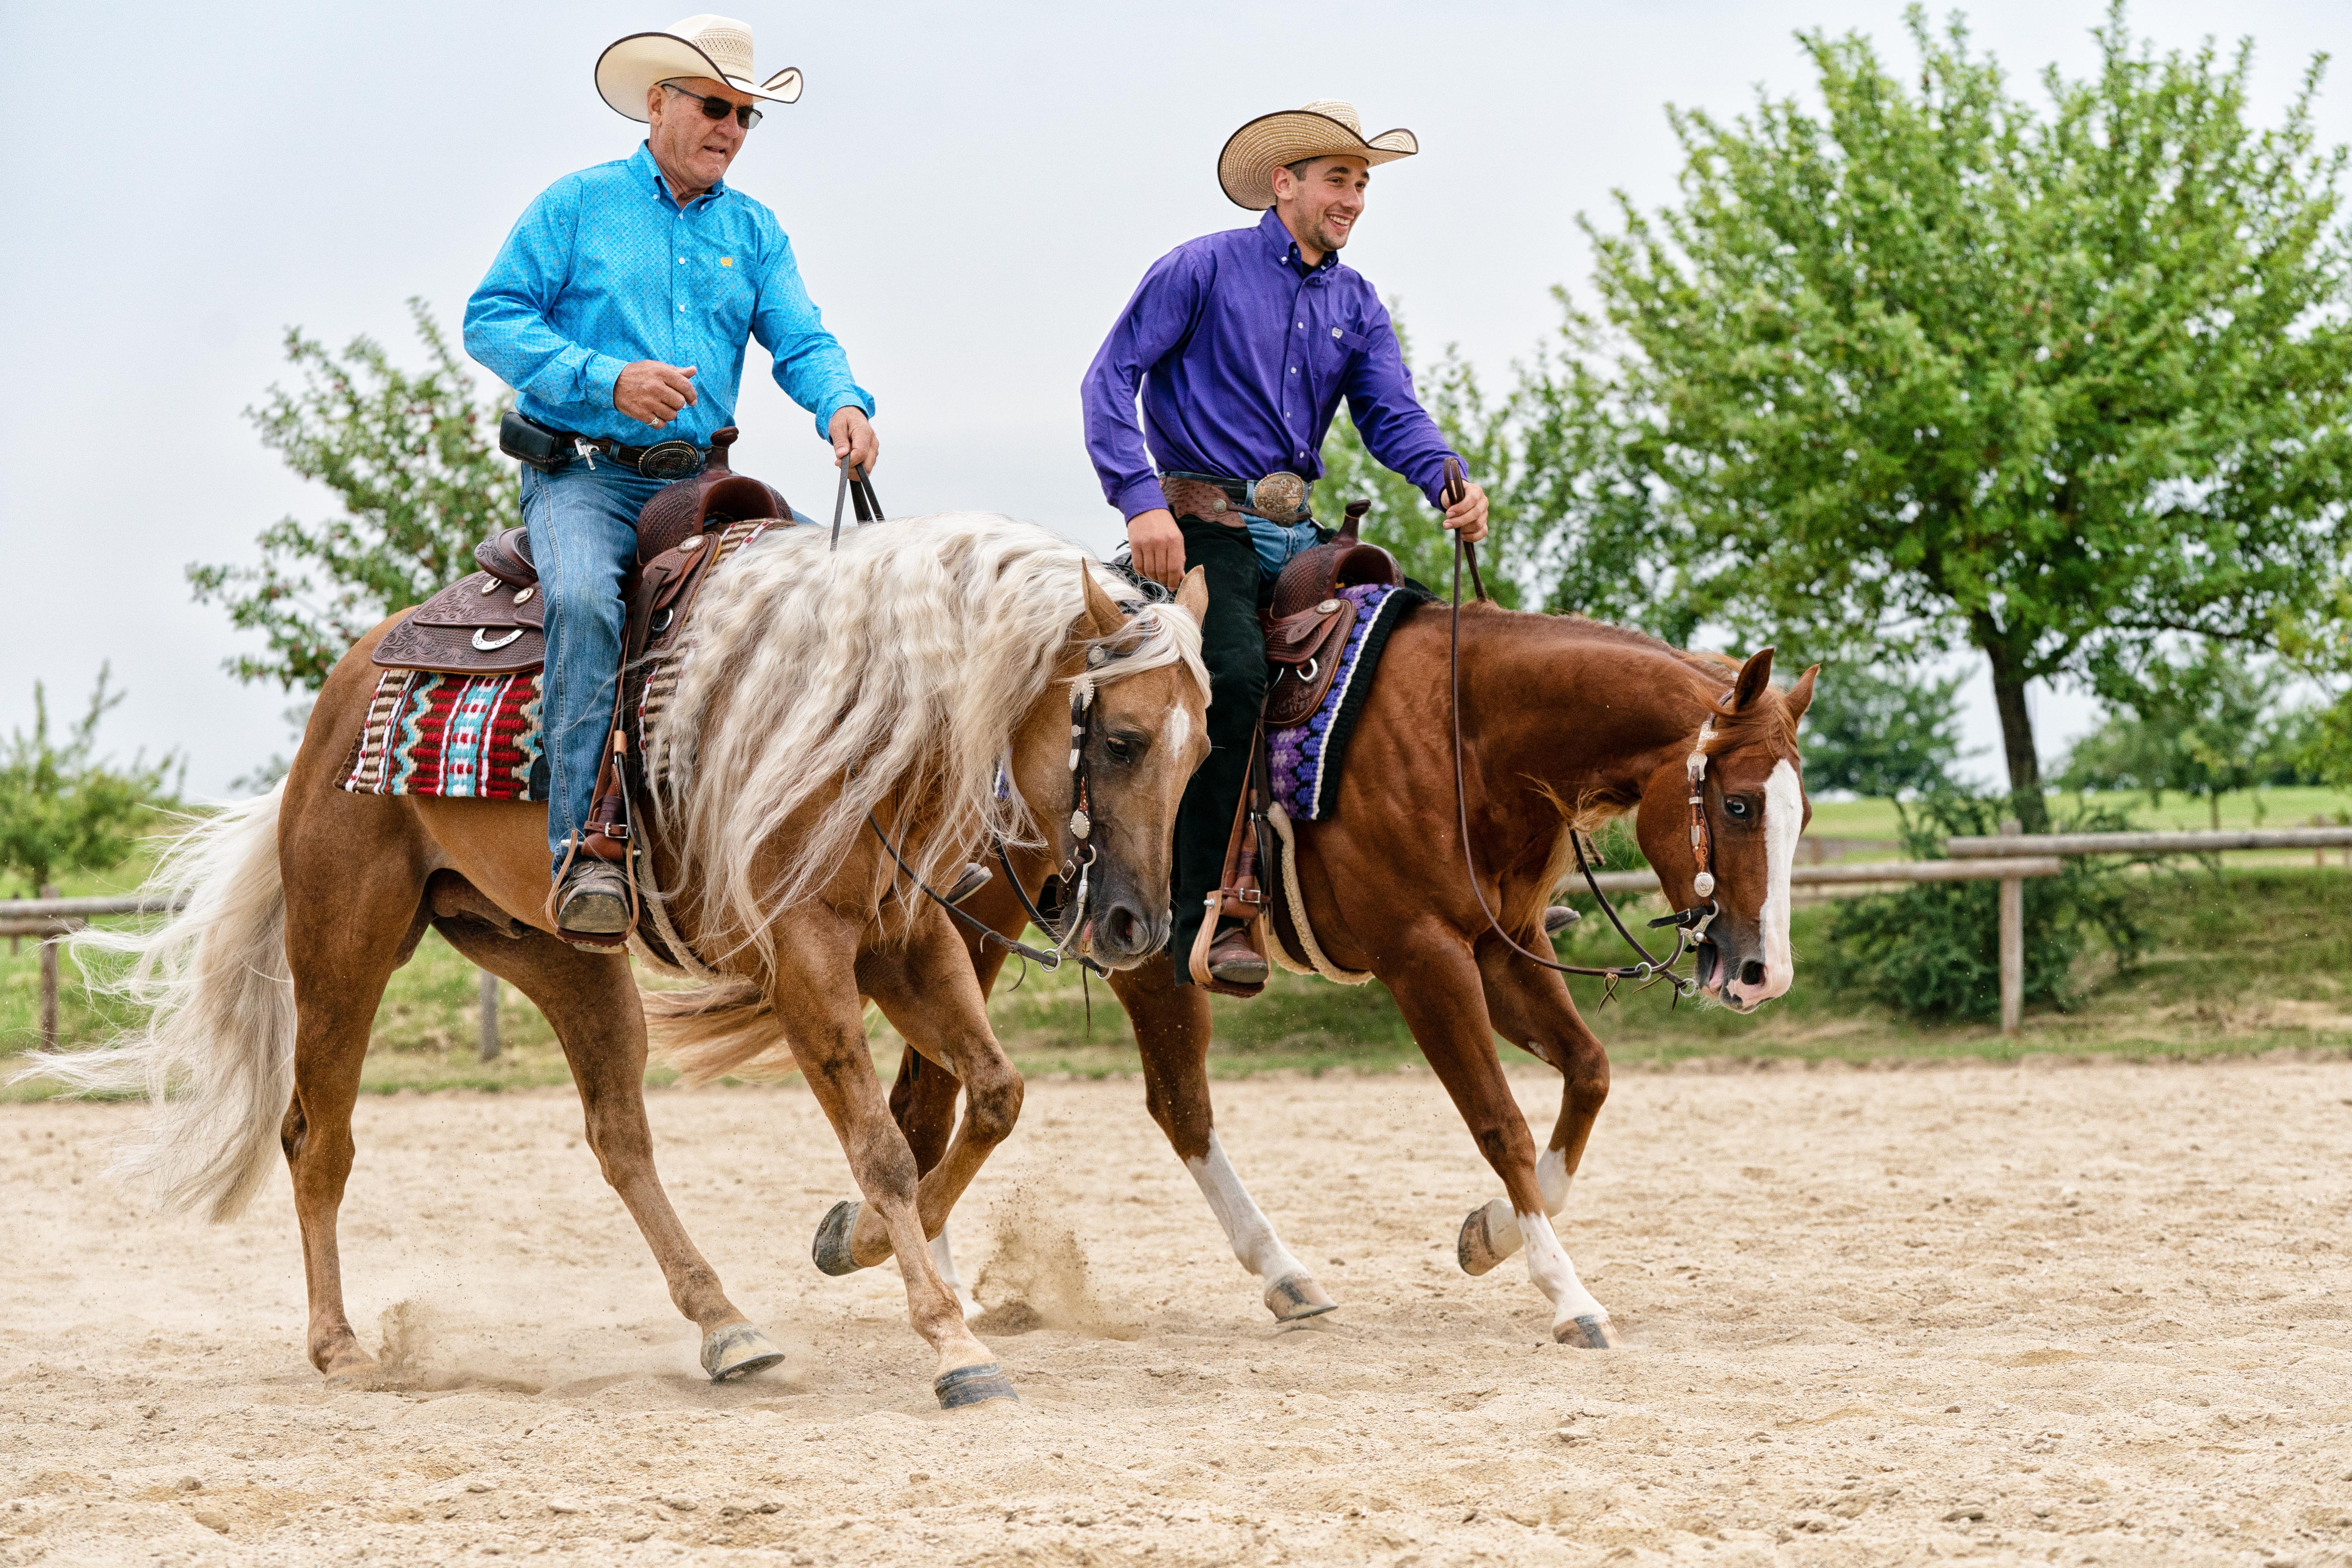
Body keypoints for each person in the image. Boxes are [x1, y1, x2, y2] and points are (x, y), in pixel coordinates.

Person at [464, 14, 877, 935]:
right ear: (658, 104)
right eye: (716, 108)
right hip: (587, 479)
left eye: (746, 117)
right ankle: (586, 849)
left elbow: (801, 338)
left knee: (850, 590)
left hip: (702, 478)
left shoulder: (755, 231)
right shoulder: (576, 206)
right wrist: (605, 378)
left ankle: (846, 831)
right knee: (583, 604)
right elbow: (491, 317)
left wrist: (843, 404)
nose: (730, 130)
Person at [1081, 100, 1490, 988]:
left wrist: (1448, 476)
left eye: (1362, 183)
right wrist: (1141, 501)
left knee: (1434, 660)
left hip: (1300, 533)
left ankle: (1460, 884)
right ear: (1286, 183)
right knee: (1230, 674)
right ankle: (1201, 911)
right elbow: (1108, 380)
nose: (1354, 199)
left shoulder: (1356, 301)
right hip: (1200, 524)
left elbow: (1391, 413)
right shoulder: (1199, 269)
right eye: (1340, 179)